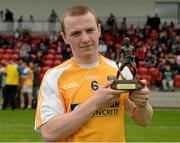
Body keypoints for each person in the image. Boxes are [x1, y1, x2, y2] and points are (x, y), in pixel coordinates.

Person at [35, 5, 153, 142]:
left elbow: (144, 121)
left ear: (99, 30)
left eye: (90, 30)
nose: (85, 39)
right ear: (65, 37)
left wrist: (142, 104)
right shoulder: (54, 77)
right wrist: (95, 102)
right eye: (76, 33)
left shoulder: (119, 70)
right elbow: (50, 134)